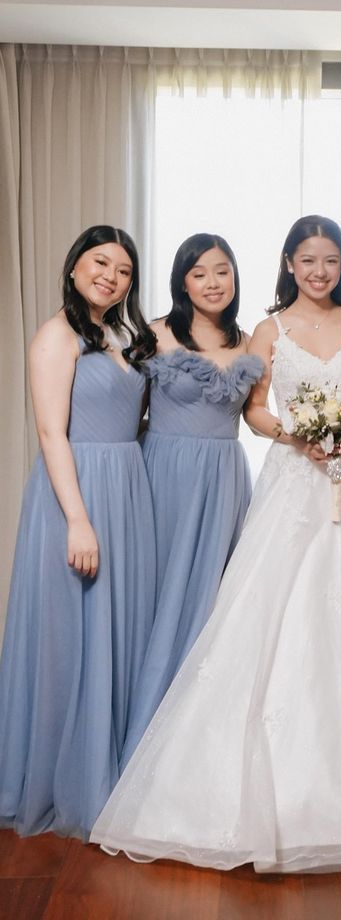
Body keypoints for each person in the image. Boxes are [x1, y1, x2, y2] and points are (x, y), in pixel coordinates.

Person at [90, 215, 341, 872]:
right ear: (289, 264)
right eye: (307, 260)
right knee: (261, 616)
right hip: (291, 482)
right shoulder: (266, 329)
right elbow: (256, 409)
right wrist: (300, 432)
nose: (318, 271)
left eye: (329, 260)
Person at [0, 225, 156, 840]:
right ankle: (63, 780)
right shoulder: (55, 336)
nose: (111, 277)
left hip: (127, 487)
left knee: (120, 629)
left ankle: (114, 770)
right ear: (74, 267)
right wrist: (78, 519)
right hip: (78, 493)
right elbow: (50, 434)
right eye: (100, 263)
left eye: (123, 270)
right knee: (72, 634)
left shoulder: (127, 337)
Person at [121, 234, 263, 765]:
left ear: (234, 277)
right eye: (200, 272)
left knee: (214, 604)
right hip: (164, 473)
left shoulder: (250, 340)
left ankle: (200, 744)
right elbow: (125, 410)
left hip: (224, 478)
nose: (212, 282)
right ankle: (146, 736)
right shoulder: (154, 334)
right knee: (159, 596)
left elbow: (258, 414)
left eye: (222, 271)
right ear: (183, 280)